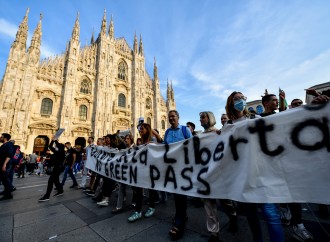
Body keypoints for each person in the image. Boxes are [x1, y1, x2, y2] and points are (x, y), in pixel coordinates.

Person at [226, 91, 284, 242]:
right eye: (237, 99)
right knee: (251, 216)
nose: (241, 101)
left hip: (262, 174)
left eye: (242, 98)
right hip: (243, 178)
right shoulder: (228, 126)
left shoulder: (255, 119)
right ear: (231, 103)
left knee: (271, 214)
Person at [164, 110, 192, 240]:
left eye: (173, 116)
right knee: (176, 193)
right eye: (169, 117)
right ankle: (181, 214)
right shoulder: (168, 132)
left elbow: (193, 145)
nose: (171, 118)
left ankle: (180, 221)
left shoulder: (185, 130)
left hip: (184, 167)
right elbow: (163, 148)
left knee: (181, 194)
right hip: (172, 168)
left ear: (178, 117)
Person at [127, 123, 162, 222]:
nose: (140, 131)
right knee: (139, 190)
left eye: (142, 129)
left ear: (147, 129)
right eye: (139, 129)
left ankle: (151, 207)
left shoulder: (153, 140)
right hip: (142, 169)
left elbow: (162, 144)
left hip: (151, 169)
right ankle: (138, 211)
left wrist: (154, 135)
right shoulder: (141, 142)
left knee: (151, 189)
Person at [0, 133, 15, 200]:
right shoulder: (4, 145)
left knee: (5, 178)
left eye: (1, 137)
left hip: (6, 164)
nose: (0, 138)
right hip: (3, 164)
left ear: (5, 138)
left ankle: (8, 194)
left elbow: (9, 156)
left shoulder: (9, 145)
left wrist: (4, 164)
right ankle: (6, 191)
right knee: (4, 179)